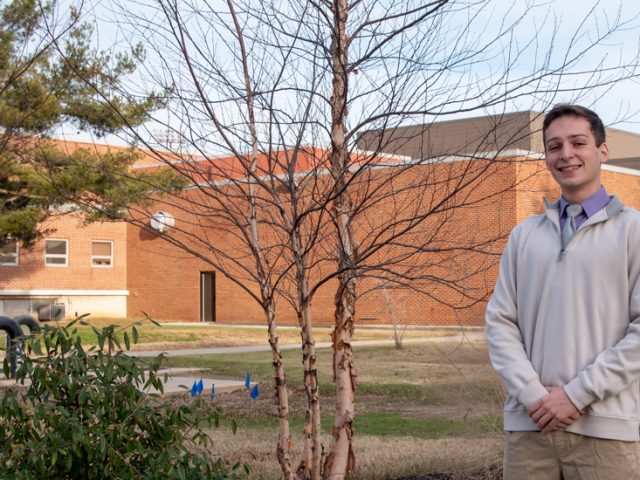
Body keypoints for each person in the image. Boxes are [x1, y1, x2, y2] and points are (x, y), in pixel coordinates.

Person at [485, 104, 640, 479]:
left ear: (602, 151)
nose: (565, 154)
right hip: (530, 426)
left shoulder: (633, 232)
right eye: (554, 146)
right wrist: (534, 396)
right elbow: (500, 323)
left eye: (578, 142)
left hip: (606, 429)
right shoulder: (524, 236)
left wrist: (576, 394)